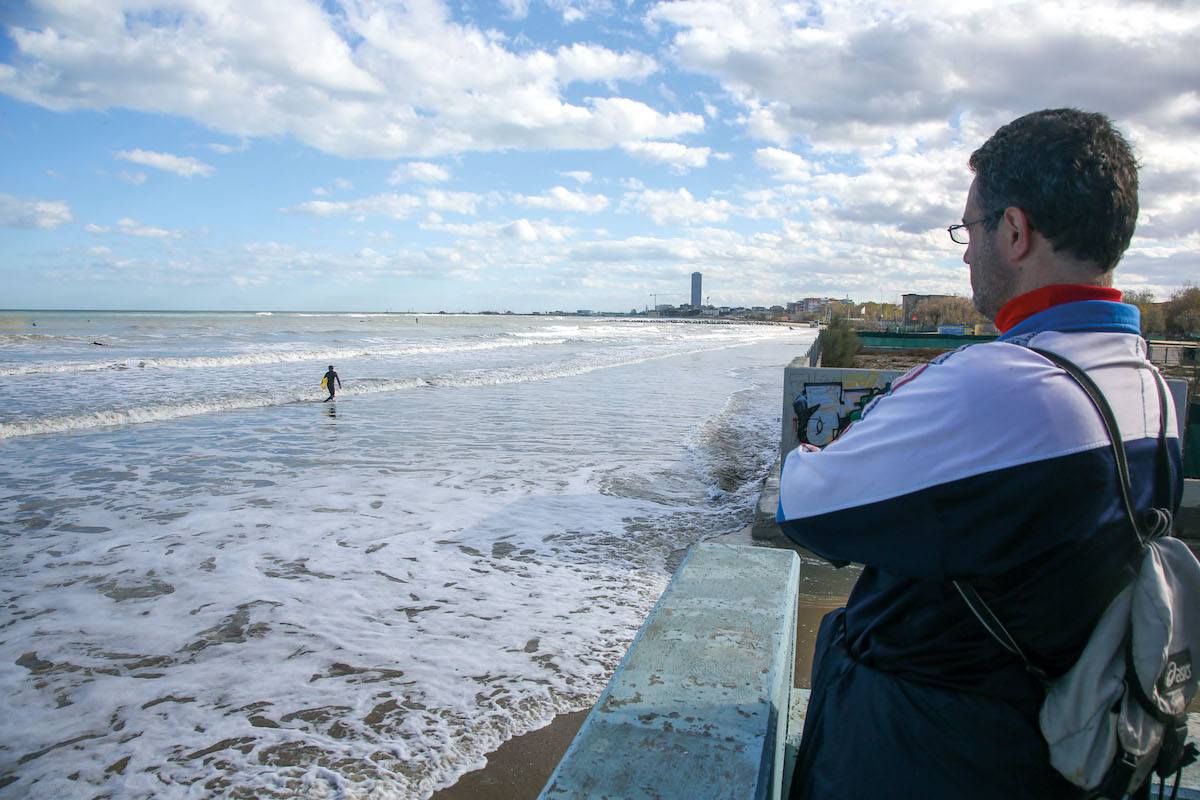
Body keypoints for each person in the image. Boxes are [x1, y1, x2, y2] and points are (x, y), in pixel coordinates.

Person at [777, 108, 1182, 799]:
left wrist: (872, 422)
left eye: (971, 228)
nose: (966, 251)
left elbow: (804, 502)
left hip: (934, 755)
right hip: (1065, 745)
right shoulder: (1150, 386)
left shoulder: (992, 384)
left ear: (1015, 231)